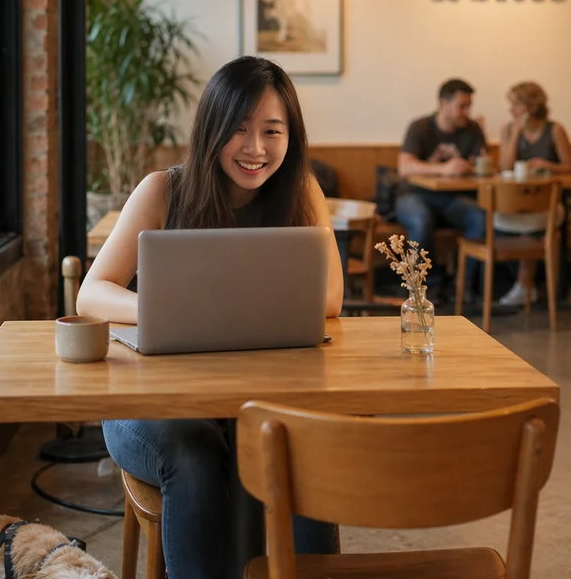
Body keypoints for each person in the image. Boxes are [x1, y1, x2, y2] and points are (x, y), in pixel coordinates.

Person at [76, 56, 343, 578]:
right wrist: (169, 311)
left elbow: (330, 297)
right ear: (212, 129)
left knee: (301, 443)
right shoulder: (163, 190)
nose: (256, 149)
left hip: (257, 395)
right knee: (196, 453)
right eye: (239, 130)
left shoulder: (302, 192)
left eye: (273, 131)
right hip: (152, 402)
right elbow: (91, 295)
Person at [396, 78, 489, 298]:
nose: (466, 112)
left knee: (480, 218)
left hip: (451, 197)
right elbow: (404, 167)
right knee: (421, 219)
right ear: (443, 104)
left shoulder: (472, 129)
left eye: (469, 106)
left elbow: (482, 164)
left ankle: (462, 285)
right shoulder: (420, 127)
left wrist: (475, 165)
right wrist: (443, 169)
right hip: (413, 195)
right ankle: (420, 289)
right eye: (461, 106)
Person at [495, 81, 571, 306]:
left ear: (529, 106)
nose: (511, 110)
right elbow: (504, 167)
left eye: (515, 104)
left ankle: (531, 288)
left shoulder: (555, 130)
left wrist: (547, 164)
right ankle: (524, 285)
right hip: (517, 201)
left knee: (542, 224)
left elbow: (570, 167)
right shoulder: (508, 129)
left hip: (548, 200)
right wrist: (517, 131)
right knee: (517, 221)